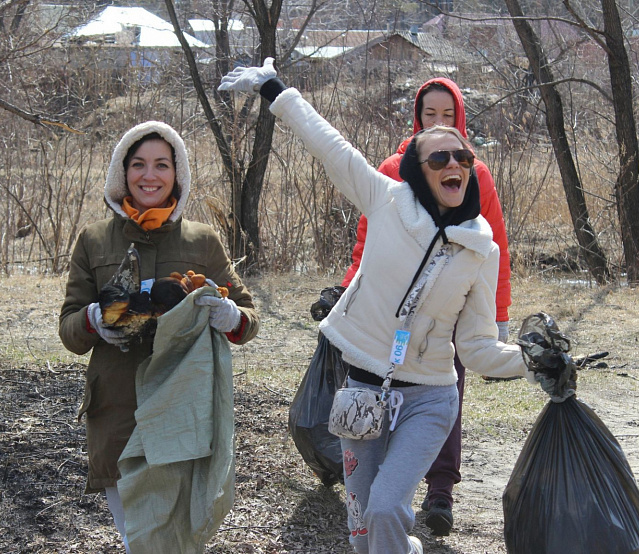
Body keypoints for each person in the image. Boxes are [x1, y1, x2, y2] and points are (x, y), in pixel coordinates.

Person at [219, 59, 550, 554]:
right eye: (439, 158)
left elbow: (477, 348)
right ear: (417, 171)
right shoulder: (386, 199)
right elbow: (328, 144)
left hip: (429, 399)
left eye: (461, 156)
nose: (454, 164)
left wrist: (535, 360)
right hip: (361, 392)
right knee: (361, 534)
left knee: (385, 509)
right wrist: (274, 90)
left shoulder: (481, 247)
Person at [58, 121, 259, 551]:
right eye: (138, 164)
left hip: (185, 412)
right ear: (122, 172)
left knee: (179, 539)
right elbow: (70, 332)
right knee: (140, 538)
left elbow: (248, 320)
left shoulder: (202, 241)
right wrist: (94, 319)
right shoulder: (94, 240)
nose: (149, 176)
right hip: (118, 409)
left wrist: (228, 315)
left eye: (162, 165)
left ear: (177, 174)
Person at [340, 77, 512, 536]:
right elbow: (366, 240)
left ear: (461, 119)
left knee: (442, 394)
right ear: (417, 118)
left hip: (447, 317)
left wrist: (499, 318)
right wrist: (347, 289)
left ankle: (440, 489)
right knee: (365, 516)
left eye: (448, 116)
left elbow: (493, 247)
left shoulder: (474, 173)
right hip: (382, 332)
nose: (438, 122)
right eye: (429, 115)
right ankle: (388, 500)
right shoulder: (393, 172)